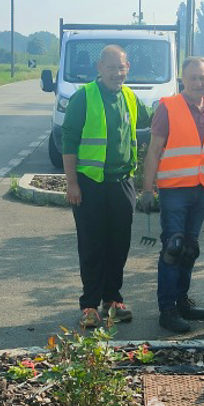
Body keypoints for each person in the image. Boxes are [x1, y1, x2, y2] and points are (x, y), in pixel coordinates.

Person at [141, 57, 204, 333]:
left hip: (200, 190)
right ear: (182, 79)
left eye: (202, 77)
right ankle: (166, 310)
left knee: (190, 250)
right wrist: (147, 189)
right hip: (173, 191)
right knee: (173, 248)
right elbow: (154, 151)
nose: (197, 82)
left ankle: (182, 301)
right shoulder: (168, 107)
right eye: (192, 77)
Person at [62, 45, 148, 329]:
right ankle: (89, 305)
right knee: (92, 245)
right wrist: (72, 183)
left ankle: (113, 300)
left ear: (128, 68)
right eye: (110, 67)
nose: (116, 72)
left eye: (121, 67)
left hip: (122, 182)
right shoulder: (83, 97)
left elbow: (154, 121)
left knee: (119, 244)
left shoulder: (130, 97)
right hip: (90, 184)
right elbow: (69, 142)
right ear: (100, 67)